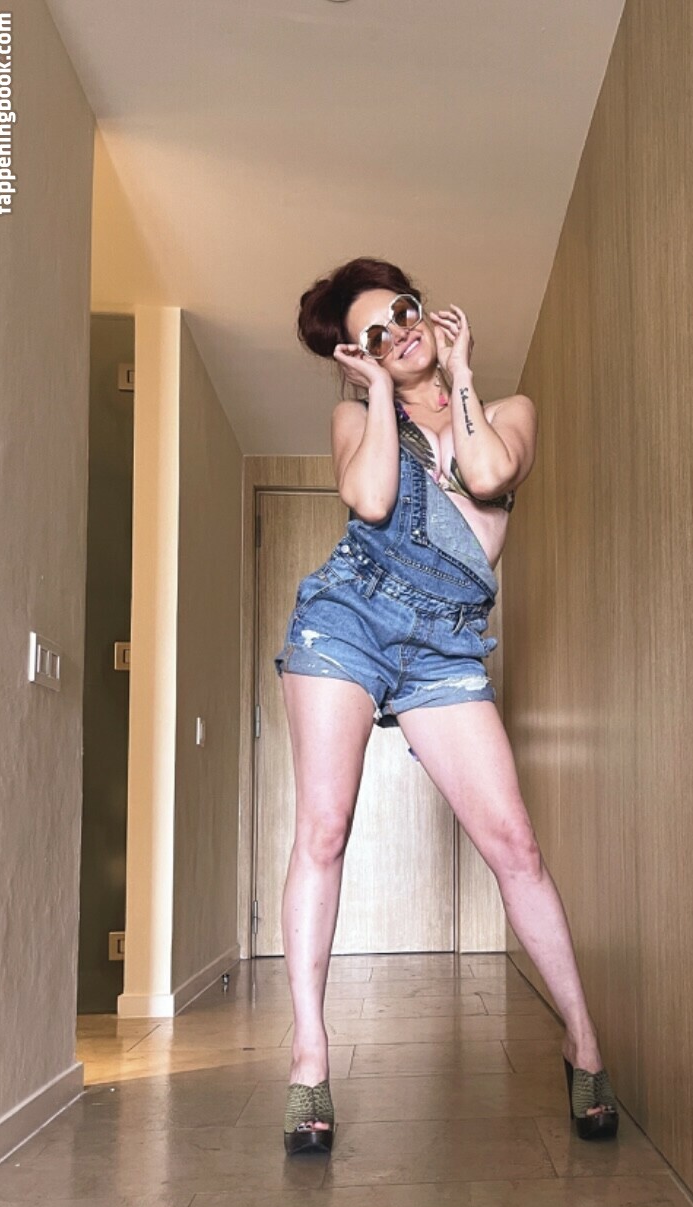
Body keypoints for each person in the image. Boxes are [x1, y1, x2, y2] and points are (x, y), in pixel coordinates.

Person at [274, 255, 618, 1154]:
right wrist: (378, 394)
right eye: (375, 335)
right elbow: (372, 498)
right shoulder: (356, 418)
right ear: (360, 356)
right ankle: (310, 1060)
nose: (398, 333)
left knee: (516, 846)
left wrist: (460, 376)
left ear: (427, 312)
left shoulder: (509, 410)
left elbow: (491, 476)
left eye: (403, 312)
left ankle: (583, 1042)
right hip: (348, 618)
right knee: (323, 829)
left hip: (448, 643)